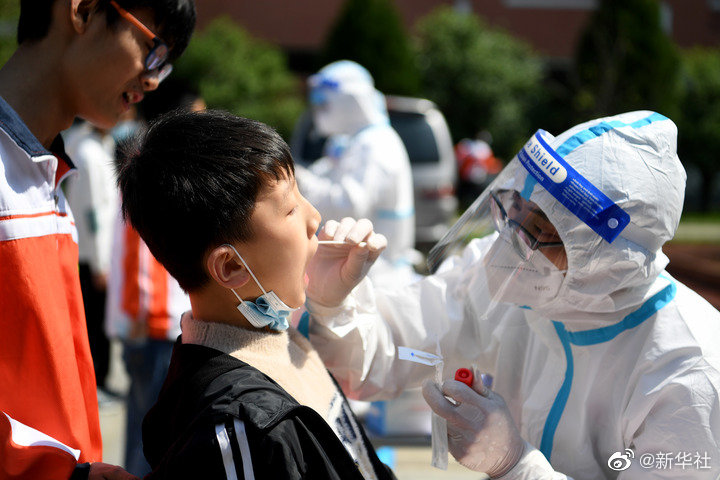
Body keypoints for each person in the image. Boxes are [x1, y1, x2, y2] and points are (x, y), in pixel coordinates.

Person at [304, 111, 720, 479]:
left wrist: (517, 466)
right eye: (515, 212)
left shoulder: (688, 375)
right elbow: (388, 353)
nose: (510, 248)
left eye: (541, 233)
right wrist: (334, 303)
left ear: (609, 262)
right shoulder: (511, 275)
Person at [115, 109, 394, 479]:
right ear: (230, 266)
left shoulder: (283, 341)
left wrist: (331, 304)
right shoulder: (236, 426)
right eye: (290, 208)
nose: (314, 217)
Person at [0, 0, 195, 478]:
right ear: (84, 10)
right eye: (153, 50)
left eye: (164, 67)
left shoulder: (47, 174)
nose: (152, 80)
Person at [105, 77, 204, 476]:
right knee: (156, 435)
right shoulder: (157, 166)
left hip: (147, 321)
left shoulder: (140, 160)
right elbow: (142, 257)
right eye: (198, 113)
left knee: (145, 426)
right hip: (156, 322)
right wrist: (145, 315)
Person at [295, 60, 417, 288]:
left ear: (350, 102)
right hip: (362, 271)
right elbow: (327, 174)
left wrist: (300, 181)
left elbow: (349, 204)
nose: (318, 111)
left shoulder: (375, 145)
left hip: (379, 278)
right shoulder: (357, 141)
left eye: (323, 103)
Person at [64, 120, 119, 397]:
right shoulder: (89, 152)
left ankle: (99, 382)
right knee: (95, 322)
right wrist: (100, 263)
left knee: (98, 320)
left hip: (98, 254)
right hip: (94, 256)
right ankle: (95, 384)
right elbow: (94, 212)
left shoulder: (99, 146)